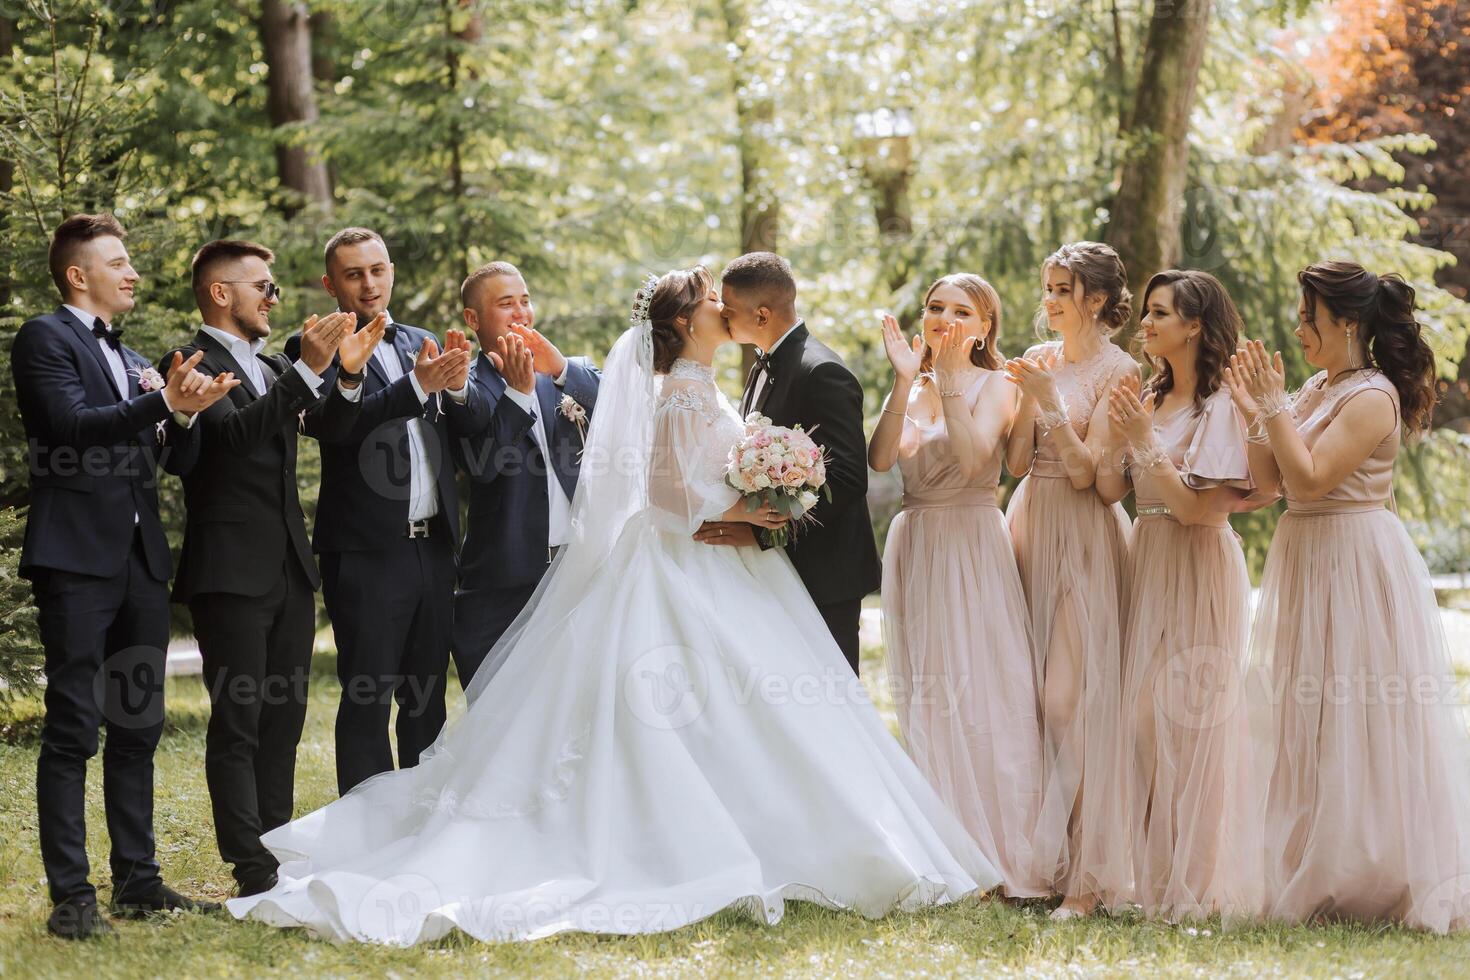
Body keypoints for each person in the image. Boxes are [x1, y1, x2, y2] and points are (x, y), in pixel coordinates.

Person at [227, 268, 1000, 943]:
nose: (726, 311)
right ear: (683, 326)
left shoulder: (704, 387)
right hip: (684, 570)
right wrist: (744, 517)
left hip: (727, 570)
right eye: (711, 304)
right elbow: (667, 504)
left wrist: (765, 496)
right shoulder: (679, 400)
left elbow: (703, 486)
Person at [1225, 261, 1470, 933]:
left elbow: (1310, 479)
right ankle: (1312, 855)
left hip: (1355, 561)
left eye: (1310, 316)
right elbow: (1268, 479)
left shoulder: (1370, 397)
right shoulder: (1316, 387)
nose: (1300, 328)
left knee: (1357, 708)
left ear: (1349, 323)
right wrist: (1256, 410)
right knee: (1307, 710)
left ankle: (1370, 868)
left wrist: (1273, 408)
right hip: (1306, 556)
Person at [12, 213, 235, 938]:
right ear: (79, 275)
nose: (132, 272)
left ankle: (138, 882)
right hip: (75, 561)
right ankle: (72, 897)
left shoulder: (138, 357)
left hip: (140, 564)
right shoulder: (45, 337)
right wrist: (162, 402)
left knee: (139, 725)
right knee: (75, 725)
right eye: (118, 262)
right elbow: (68, 426)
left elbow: (168, 461)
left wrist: (186, 418)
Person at [162, 239, 384, 898]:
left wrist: (341, 373)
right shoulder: (188, 361)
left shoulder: (271, 366)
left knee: (284, 723)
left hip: (289, 566)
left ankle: (277, 845)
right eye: (263, 285)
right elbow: (230, 441)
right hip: (228, 572)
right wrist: (305, 370)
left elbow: (333, 425)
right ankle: (250, 866)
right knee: (239, 722)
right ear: (221, 293)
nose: (275, 297)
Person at [868, 273, 1047, 898]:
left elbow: (976, 462)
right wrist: (901, 381)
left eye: (961, 310)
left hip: (971, 538)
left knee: (983, 682)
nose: (945, 317)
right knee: (929, 688)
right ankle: (942, 845)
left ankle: (1000, 847)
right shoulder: (913, 387)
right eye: (936, 307)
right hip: (917, 539)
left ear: (985, 327)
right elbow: (883, 458)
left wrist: (945, 383)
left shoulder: (999, 383)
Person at [290, 227, 482, 794]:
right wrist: (414, 387)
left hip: (433, 545)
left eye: (377, 270)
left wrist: (460, 388)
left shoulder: (422, 340)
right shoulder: (312, 349)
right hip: (367, 550)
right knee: (368, 692)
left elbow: (466, 437)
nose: (368, 283)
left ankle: (422, 819)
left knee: (426, 693)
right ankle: (365, 828)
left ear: (391, 271)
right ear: (331, 284)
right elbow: (333, 427)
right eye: (353, 274)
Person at [1094, 269, 1258, 919]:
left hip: (1198, 562)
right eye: (1149, 313)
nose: (1147, 323)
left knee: (1191, 726)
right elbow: (1112, 490)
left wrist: (1143, 446)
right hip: (1149, 554)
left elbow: (1198, 512)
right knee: (1141, 723)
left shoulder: (1221, 405)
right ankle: (1156, 879)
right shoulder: (1151, 396)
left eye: (1160, 313)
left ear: (1194, 326)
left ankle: (1197, 888)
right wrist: (1116, 436)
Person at [1002, 240, 1139, 918]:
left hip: (1084, 534)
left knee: (1070, 703)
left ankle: (1088, 878)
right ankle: (1045, 860)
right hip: (1031, 524)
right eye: (1047, 286)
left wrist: (1049, 400)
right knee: (1032, 700)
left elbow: (1093, 473)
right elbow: (1017, 462)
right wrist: (1031, 397)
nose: (1050, 299)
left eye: (1062, 288)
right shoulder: (1041, 360)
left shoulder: (1123, 371)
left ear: (1095, 298)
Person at [696, 252, 881, 674]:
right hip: (781, 571)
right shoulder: (761, 366)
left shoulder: (823, 372)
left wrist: (764, 532)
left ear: (761, 315)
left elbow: (850, 479)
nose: (723, 316)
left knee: (833, 696)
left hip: (826, 572)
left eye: (729, 309)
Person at [451, 261, 601, 684]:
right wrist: (517, 394)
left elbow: (619, 407)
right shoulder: (464, 386)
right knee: (503, 706)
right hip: (506, 575)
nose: (521, 313)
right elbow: (481, 465)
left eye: (525, 301)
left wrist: (561, 369)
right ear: (473, 319)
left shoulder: (566, 372)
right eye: (506, 304)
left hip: (578, 566)